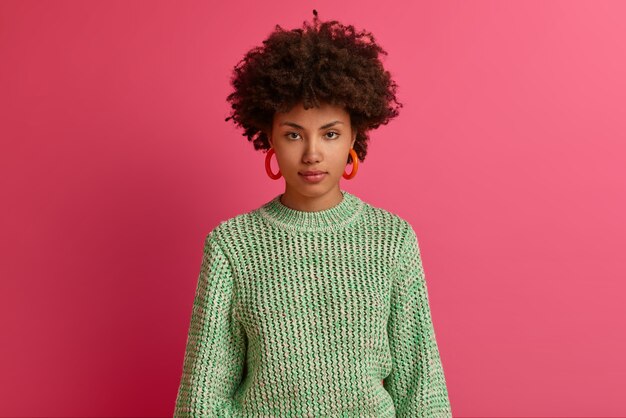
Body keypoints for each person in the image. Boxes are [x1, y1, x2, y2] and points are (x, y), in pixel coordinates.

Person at [173, 10, 452, 417]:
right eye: (293, 134)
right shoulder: (232, 245)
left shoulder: (392, 238)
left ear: (355, 135)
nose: (312, 153)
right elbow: (204, 393)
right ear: (268, 136)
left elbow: (420, 384)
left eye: (331, 133)